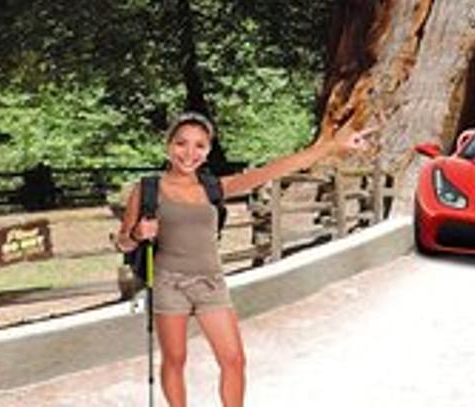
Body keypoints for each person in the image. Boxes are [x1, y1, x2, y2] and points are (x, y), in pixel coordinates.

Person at [115, 112, 375, 407]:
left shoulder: (214, 188)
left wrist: (332, 146)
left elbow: (275, 169)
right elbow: (123, 241)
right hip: (168, 283)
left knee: (234, 360)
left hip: (211, 284)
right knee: (175, 360)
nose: (189, 153)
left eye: (199, 146)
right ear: (169, 146)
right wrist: (137, 232)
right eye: (181, 144)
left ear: (208, 150)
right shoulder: (148, 189)